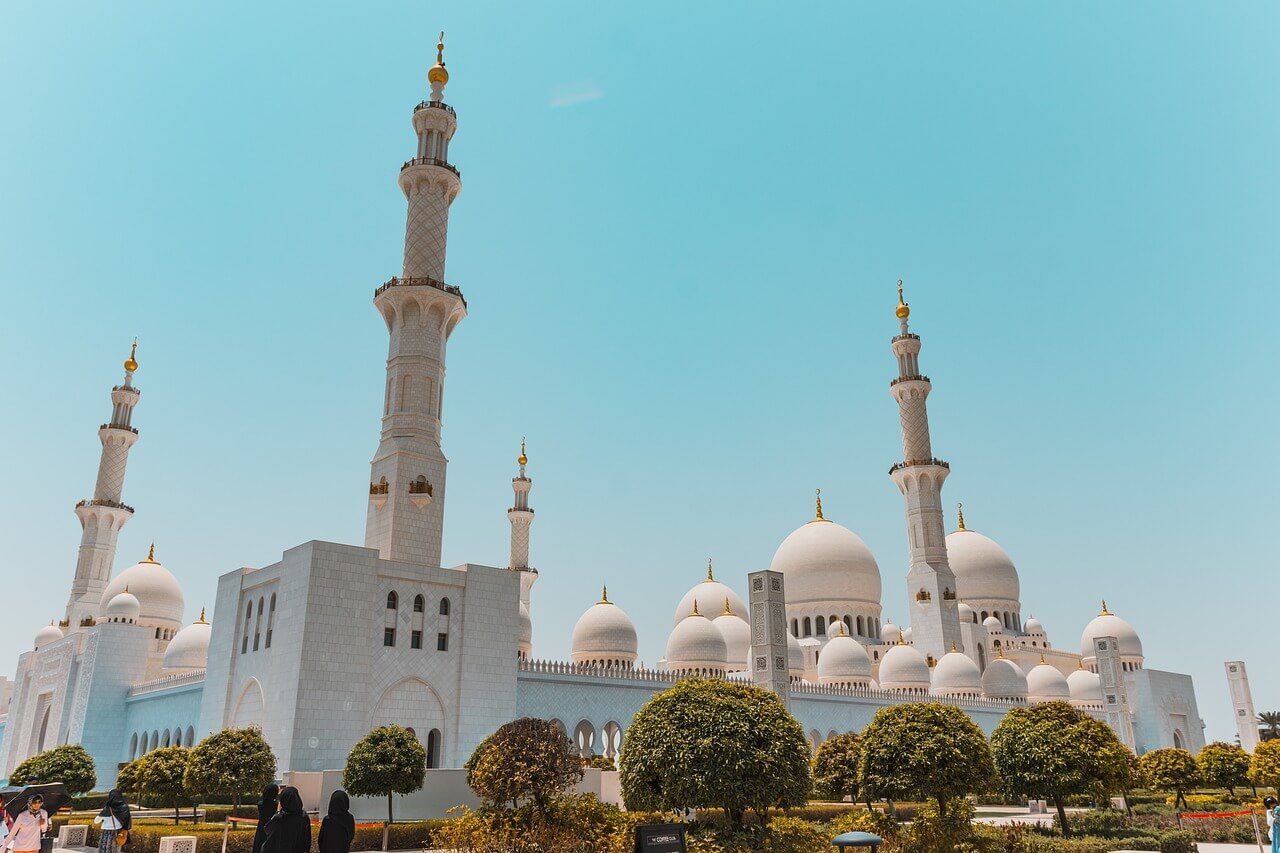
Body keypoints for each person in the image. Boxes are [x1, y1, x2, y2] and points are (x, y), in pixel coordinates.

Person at [260, 787, 310, 853]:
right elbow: (307, 837)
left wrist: (278, 811)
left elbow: (267, 829)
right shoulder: (304, 816)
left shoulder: (279, 817)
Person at [251, 784, 279, 853]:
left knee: (259, 846)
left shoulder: (260, 804)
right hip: (272, 830)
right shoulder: (276, 805)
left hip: (261, 829)